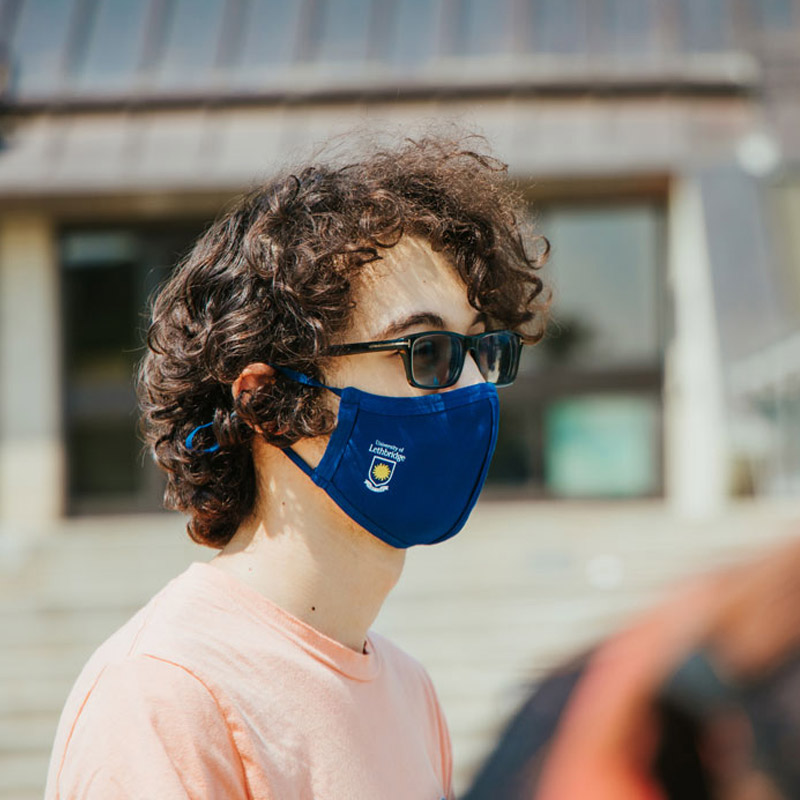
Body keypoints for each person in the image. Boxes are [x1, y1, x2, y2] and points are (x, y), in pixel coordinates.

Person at [44, 134, 548, 799]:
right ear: (270, 404)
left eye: (480, 350)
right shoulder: (165, 692)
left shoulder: (409, 690)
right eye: (427, 352)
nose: (475, 390)